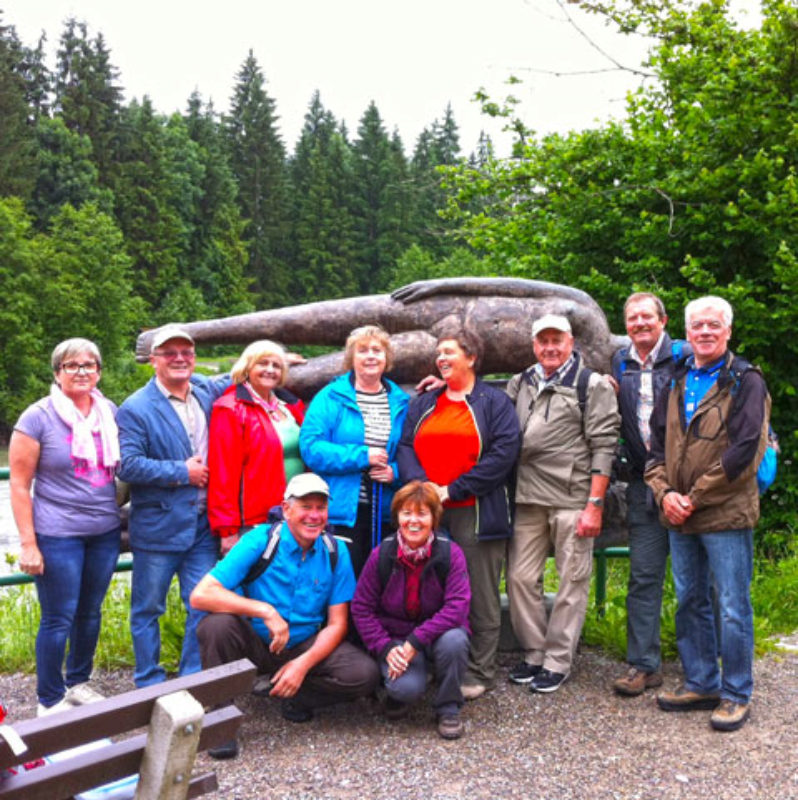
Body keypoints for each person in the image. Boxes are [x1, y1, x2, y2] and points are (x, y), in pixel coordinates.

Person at [645, 296, 769, 732]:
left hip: (725, 515)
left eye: (714, 325)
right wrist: (664, 495)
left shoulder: (745, 380)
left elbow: (744, 453)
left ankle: (736, 693)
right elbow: (655, 446)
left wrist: (692, 497)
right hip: (679, 514)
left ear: (728, 331)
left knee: (733, 606)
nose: (704, 332)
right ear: (686, 332)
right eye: (696, 326)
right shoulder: (676, 379)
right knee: (690, 600)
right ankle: (701, 682)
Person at [191, 473, 380, 758]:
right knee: (215, 626)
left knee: (364, 674)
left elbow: (338, 623)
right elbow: (201, 594)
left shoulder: (335, 550)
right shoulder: (260, 540)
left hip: (303, 643)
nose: (314, 515)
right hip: (256, 640)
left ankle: (296, 696)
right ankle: (221, 721)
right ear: (286, 508)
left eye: (321, 507)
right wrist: (264, 610)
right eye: (306, 506)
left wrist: (302, 665)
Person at [398, 328, 520, 700]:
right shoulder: (424, 401)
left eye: (449, 352)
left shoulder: (493, 402)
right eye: (439, 354)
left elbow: (503, 453)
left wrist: (453, 489)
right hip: (428, 513)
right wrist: (424, 491)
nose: (441, 358)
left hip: (475, 513)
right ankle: (435, 663)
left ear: (471, 357)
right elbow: (405, 445)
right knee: (427, 589)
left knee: (479, 594)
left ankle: (479, 669)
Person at [506, 314, 620, 693]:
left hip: (573, 497)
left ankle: (557, 660)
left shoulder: (591, 385)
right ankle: (534, 652)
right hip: (527, 497)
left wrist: (595, 504)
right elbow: (493, 416)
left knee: (572, 580)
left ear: (571, 343)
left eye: (558, 340)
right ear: (534, 345)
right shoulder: (521, 382)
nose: (550, 348)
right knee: (520, 578)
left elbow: (605, 446)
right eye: (543, 341)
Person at [9, 338, 121, 715]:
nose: (81, 371)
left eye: (89, 365)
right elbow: (20, 485)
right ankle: (49, 698)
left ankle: (78, 683)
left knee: (91, 612)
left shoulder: (110, 413)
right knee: (59, 616)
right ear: (57, 373)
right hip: (57, 534)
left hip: (104, 532)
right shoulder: (37, 417)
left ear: (99, 372)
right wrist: (29, 544)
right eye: (72, 365)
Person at [117, 326, 229, 687]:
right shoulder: (135, 408)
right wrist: (182, 472)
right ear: (153, 361)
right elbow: (127, 464)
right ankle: (148, 682)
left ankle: (190, 680)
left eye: (186, 352)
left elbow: (237, 374)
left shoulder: (206, 391)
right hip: (158, 526)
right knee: (148, 609)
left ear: (194, 358)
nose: (179, 358)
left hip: (202, 525)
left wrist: (279, 356)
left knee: (203, 603)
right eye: (169, 353)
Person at [610, 293, 692, 696]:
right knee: (643, 578)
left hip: (690, 484)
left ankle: (700, 668)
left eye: (647, 316)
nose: (640, 323)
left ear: (663, 320)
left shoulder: (687, 356)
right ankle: (644, 665)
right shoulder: (620, 362)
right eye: (632, 318)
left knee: (696, 580)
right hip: (645, 486)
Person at [351, 481, 471, 740]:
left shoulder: (451, 553)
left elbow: (457, 606)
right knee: (405, 690)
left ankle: (448, 707)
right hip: (396, 637)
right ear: (397, 517)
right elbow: (361, 608)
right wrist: (385, 647)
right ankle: (405, 683)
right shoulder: (381, 554)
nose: (413, 521)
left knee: (456, 641)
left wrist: (416, 641)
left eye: (422, 513)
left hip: (436, 635)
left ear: (434, 518)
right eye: (406, 513)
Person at [299, 325, 408, 576]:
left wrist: (395, 472)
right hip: (344, 511)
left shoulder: (400, 401)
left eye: (377, 350)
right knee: (345, 583)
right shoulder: (331, 397)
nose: (370, 356)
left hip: (387, 511)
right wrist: (362, 456)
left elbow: (410, 451)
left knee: (381, 583)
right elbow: (311, 448)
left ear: (386, 358)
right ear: (351, 358)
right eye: (362, 350)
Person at [208, 340, 305, 555]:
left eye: (276, 365)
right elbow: (223, 472)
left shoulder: (288, 406)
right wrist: (228, 529)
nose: (270, 370)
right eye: (263, 363)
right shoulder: (230, 408)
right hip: (254, 520)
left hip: (293, 514)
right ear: (247, 368)